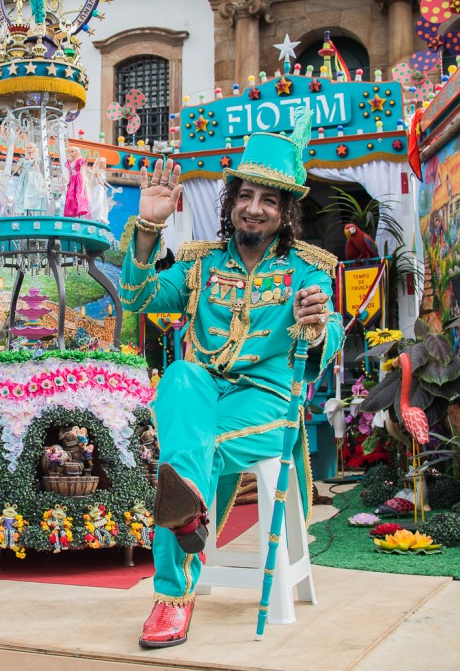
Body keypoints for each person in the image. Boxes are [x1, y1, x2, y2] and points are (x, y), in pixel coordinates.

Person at [120, 111, 344, 648]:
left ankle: (172, 593)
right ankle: (185, 522)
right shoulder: (199, 266)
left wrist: (315, 326)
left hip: (267, 405)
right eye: (245, 195)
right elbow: (139, 299)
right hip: (203, 393)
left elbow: (329, 331)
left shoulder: (308, 271)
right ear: (231, 201)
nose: (254, 207)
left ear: (286, 210)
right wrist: (148, 227)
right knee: (178, 376)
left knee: (188, 455)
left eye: (269, 199)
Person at [12, 143, 48, 215]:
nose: (28, 149)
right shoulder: (23, 159)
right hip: (24, 177)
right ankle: (24, 211)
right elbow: (18, 167)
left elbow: (37, 169)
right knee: (22, 193)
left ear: (34, 149)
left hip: (33, 177)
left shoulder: (36, 159)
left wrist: (42, 179)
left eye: (30, 147)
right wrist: (12, 174)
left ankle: (31, 211)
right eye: (27, 148)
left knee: (33, 193)